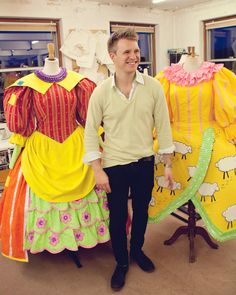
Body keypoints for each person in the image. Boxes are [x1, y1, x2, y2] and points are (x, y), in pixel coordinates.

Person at [83, 29, 175, 291]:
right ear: (113, 56)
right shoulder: (100, 92)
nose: (134, 56)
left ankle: (137, 250)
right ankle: (121, 262)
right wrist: (97, 170)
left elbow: (164, 127)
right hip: (114, 166)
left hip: (145, 162)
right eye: (127, 51)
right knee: (118, 215)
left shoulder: (153, 87)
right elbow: (90, 132)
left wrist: (167, 164)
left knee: (142, 212)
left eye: (136, 50)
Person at [0, 47, 110, 262]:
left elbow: (88, 118)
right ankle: (58, 239)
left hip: (76, 145)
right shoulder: (26, 86)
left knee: (88, 186)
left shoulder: (78, 82)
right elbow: (19, 124)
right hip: (42, 149)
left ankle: (80, 236)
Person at [149, 52, 236, 243]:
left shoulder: (216, 73)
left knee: (229, 165)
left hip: (208, 134)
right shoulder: (166, 77)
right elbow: (158, 111)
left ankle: (217, 216)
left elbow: (227, 106)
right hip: (174, 135)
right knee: (151, 162)